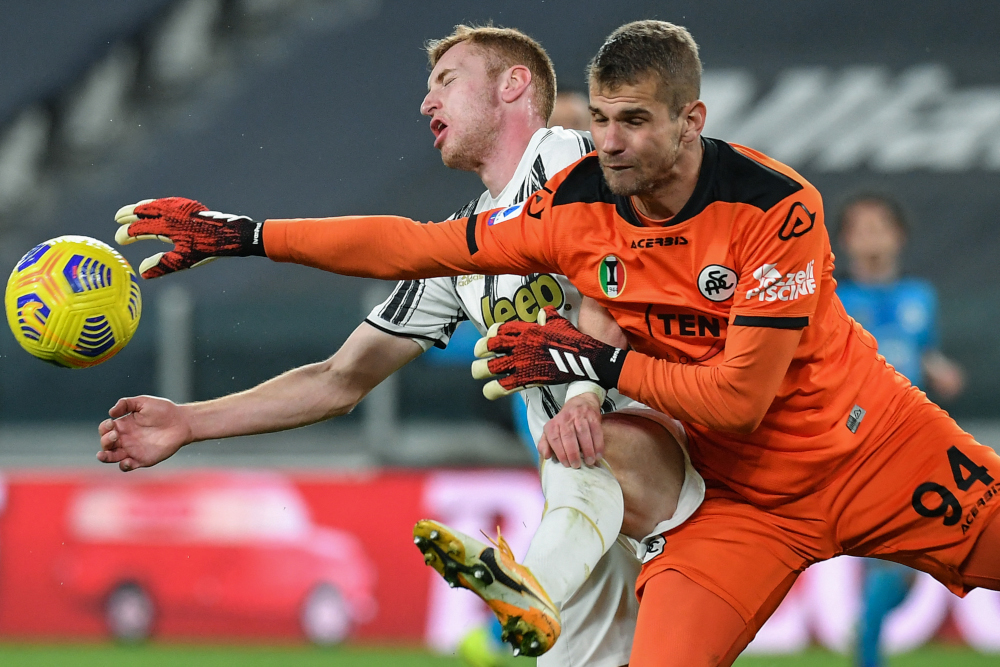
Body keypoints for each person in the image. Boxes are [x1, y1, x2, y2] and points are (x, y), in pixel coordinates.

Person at [107, 19, 1000, 667]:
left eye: (446, 78)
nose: (611, 142)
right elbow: (375, 313)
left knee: (584, 424)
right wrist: (248, 239)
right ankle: (534, 582)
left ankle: (536, 574)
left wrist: (584, 372)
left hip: (856, 448)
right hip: (724, 504)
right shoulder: (547, 212)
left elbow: (718, 383)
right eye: (605, 120)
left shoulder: (694, 188)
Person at [99, 24, 705, 666]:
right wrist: (189, 421)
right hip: (589, 502)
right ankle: (533, 591)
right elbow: (338, 379)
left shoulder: (565, 156)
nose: (426, 104)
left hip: (671, 446)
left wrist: (582, 391)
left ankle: (533, 588)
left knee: (587, 447)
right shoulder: (461, 248)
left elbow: (607, 282)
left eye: (446, 80)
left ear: (514, 84)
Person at [836, 193, 966, 667]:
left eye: (880, 226)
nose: (871, 235)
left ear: (898, 237)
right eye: (860, 227)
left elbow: (921, 351)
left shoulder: (919, 297)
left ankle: (866, 626)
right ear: (846, 240)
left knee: (910, 569)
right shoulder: (835, 300)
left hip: (914, 440)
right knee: (891, 556)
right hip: (861, 444)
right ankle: (868, 652)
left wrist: (940, 369)